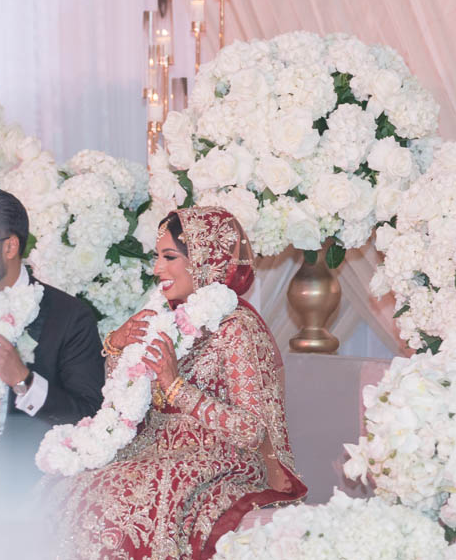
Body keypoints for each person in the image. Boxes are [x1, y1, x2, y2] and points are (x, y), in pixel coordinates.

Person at [48, 206, 307, 559]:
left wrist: (177, 389)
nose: (157, 269)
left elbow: (252, 430)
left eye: (169, 257)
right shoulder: (164, 316)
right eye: (158, 257)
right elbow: (127, 400)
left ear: (204, 259)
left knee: (115, 499)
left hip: (219, 458)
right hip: (154, 447)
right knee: (63, 485)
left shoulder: (237, 328)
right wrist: (116, 348)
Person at [0, 187, 105, 493]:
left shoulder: (69, 317)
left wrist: (24, 382)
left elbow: (89, 415)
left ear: (10, 246)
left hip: (28, 489)